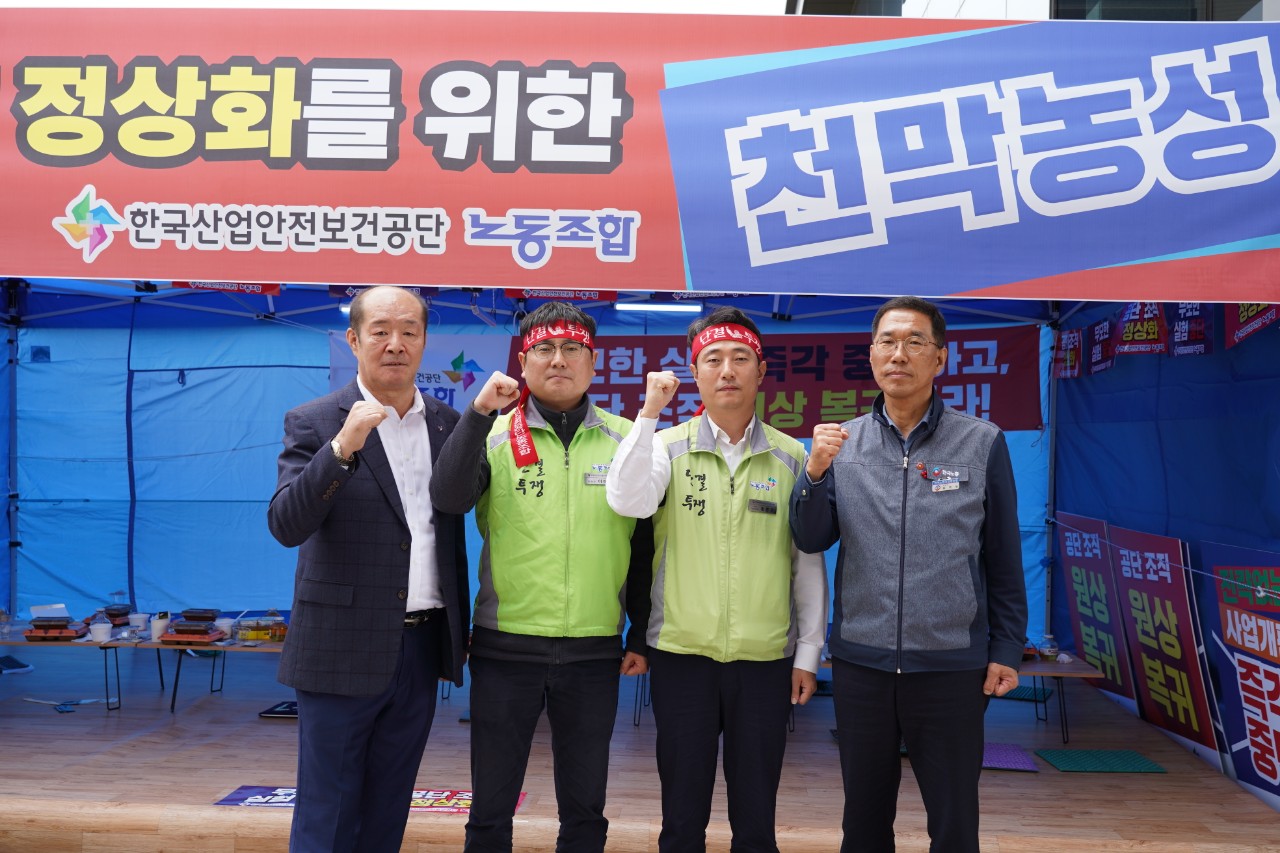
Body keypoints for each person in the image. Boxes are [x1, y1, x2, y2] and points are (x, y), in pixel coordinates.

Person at [789, 296, 1027, 853]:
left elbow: (1003, 554)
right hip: (862, 664)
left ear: (940, 357)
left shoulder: (981, 441)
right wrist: (815, 472)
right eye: (887, 342)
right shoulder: (842, 444)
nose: (899, 354)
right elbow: (810, 537)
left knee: (954, 819)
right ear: (871, 355)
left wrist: (1007, 649)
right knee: (864, 819)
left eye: (915, 342)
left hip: (951, 666)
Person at [428, 301, 652, 853]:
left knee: (585, 807)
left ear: (593, 362)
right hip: (506, 646)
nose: (559, 360)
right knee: (490, 805)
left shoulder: (630, 438)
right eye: (544, 349)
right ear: (523, 363)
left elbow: (646, 544)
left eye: (572, 348)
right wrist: (477, 414)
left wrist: (640, 632)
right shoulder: (494, 434)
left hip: (594, 649)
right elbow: (449, 498)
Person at [605, 306, 827, 853]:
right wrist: (649, 414)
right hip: (682, 655)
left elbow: (806, 560)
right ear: (695, 372)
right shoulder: (666, 446)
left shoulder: (791, 455)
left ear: (761, 371)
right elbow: (627, 500)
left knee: (756, 822)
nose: (727, 370)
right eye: (713, 359)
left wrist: (808, 652)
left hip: (765, 659)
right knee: (682, 820)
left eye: (740, 358)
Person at [267, 285, 470, 853]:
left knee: (389, 806)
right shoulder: (315, 421)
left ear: (424, 342)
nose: (395, 343)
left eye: (409, 331)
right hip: (339, 646)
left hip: (422, 644)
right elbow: (286, 524)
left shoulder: (448, 424)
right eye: (380, 331)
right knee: (327, 811)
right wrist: (342, 448)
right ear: (354, 340)